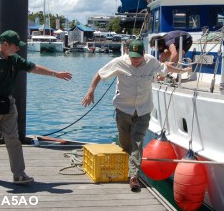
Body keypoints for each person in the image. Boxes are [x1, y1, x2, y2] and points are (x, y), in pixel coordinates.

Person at [81, 39, 189, 190]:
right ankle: (125, 168)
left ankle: (133, 176)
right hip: (123, 109)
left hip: (143, 110)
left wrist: (182, 71)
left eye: (138, 57)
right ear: (127, 53)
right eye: (133, 57)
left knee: (137, 142)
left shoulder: (151, 62)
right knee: (125, 143)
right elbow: (100, 73)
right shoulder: (119, 62)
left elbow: (165, 68)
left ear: (144, 54)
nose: (136, 61)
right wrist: (91, 91)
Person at [0, 30, 73, 184]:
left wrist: (56, 74)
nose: (18, 49)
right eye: (15, 46)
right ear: (5, 45)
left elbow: (34, 68)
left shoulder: (15, 59)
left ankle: (19, 174)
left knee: (13, 139)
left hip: (8, 104)